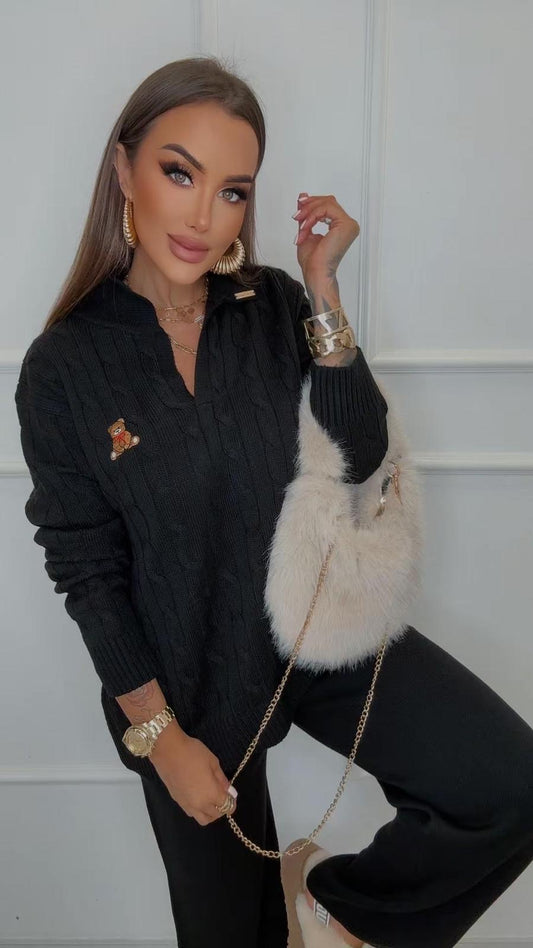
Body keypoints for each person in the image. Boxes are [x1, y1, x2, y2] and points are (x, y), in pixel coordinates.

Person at [14, 56, 533, 948]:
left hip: (317, 630)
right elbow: (88, 573)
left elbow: (359, 453)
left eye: (233, 192)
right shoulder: (64, 366)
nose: (203, 217)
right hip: (187, 686)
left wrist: (323, 290)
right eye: (179, 173)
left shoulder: (271, 305)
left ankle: (333, 909)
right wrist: (160, 739)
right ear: (123, 169)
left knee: (506, 785)